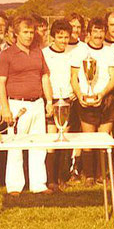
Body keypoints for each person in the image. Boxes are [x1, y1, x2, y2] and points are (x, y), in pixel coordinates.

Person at [0, 15, 54, 195]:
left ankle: (38, 184)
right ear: (16, 33)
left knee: (38, 145)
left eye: (31, 32)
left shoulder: (38, 52)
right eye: (25, 32)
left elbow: (44, 77)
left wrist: (49, 101)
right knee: (16, 146)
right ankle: (14, 186)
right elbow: (0, 83)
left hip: (37, 103)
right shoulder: (7, 55)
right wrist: (5, 108)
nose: (29, 36)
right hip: (16, 105)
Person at [70, 18, 114, 185]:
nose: (98, 35)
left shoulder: (110, 51)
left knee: (103, 139)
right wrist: (80, 94)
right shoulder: (79, 52)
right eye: (95, 31)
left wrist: (103, 94)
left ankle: (101, 174)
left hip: (106, 100)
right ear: (88, 33)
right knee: (88, 139)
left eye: (101, 31)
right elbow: (74, 78)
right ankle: (89, 175)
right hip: (85, 100)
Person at [42, 20, 74, 191]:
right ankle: (51, 179)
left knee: (63, 140)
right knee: (51, 141)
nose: (63, 40)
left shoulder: (71, 54)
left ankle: (62, 176)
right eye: (60, 37)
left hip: (67, 100)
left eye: (66, 37)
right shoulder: (44, 54)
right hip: (51, 100)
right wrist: (47, 100)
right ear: (53, 37)